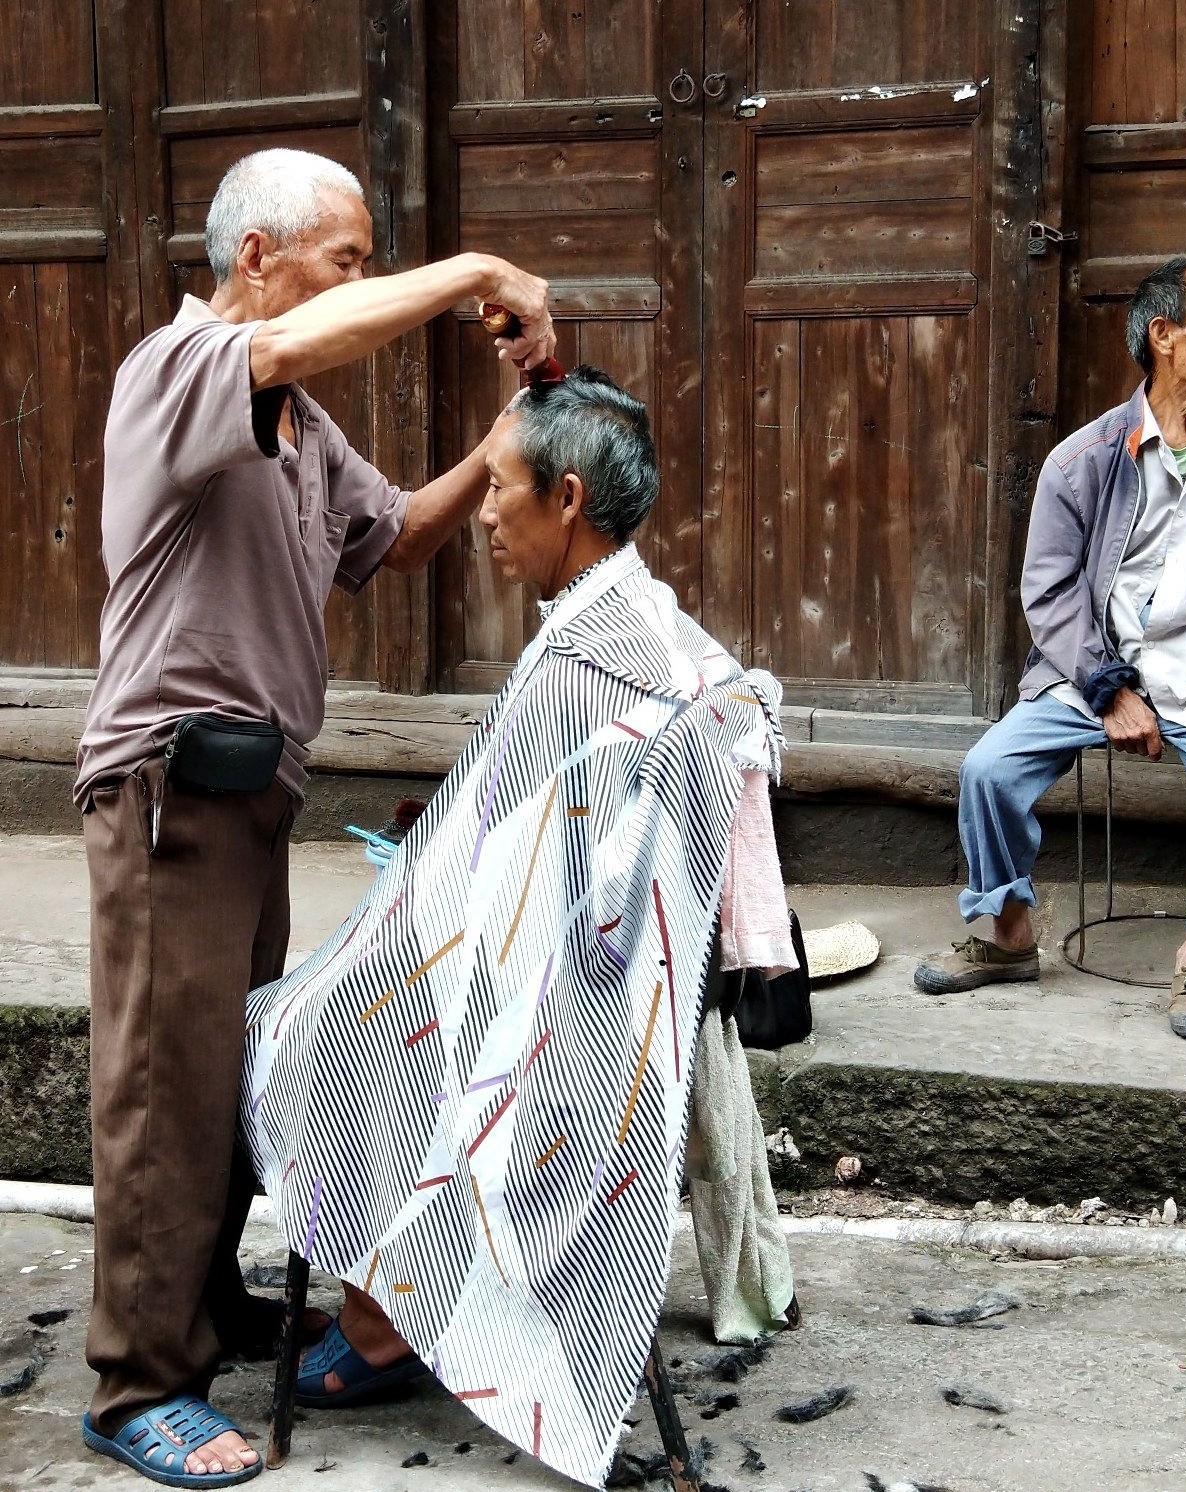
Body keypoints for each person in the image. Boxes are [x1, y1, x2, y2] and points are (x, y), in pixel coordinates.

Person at [76, 146, 556, 1486]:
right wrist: (471, 270)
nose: (365, 281)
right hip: (168, 787)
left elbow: (390, 535)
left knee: (234, 1070)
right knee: (160, 1087)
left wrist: (496, 452)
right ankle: (137, 1383)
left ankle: (204, 1310)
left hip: (250, 793)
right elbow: (290, 344)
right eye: (349, 259)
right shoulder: (180, 370)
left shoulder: (299, 427)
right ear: (255, 259)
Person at [243, 368, 794, 1487]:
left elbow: (543, 861)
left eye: (501, 491)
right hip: (584, 963)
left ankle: (381, 1320)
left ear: (570, 498)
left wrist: (455, 874)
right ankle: (384, 1291)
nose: (484, 514)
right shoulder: (638, 622)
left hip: (575, 1000)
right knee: (349, 994)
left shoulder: (599, 662)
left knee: (310, 1027)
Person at [913, 256, 1186, 1042]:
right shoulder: (1082, 457)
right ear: (1164, 335)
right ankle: (1008, 936)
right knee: (987, 771)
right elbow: (1050, 593)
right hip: (1096, 673)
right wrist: (1108, 689)